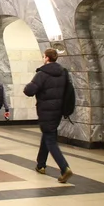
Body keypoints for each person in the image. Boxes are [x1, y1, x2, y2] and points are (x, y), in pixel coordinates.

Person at [24, 48, 73, 183]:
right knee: (48, 134)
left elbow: (29, 91)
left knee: (50, 139)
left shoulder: (42, 73)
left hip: (45, 111)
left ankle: (64, 168)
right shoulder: (63, 73)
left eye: (43, 56)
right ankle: (41, 165)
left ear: (46, 58)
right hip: (58, 111)